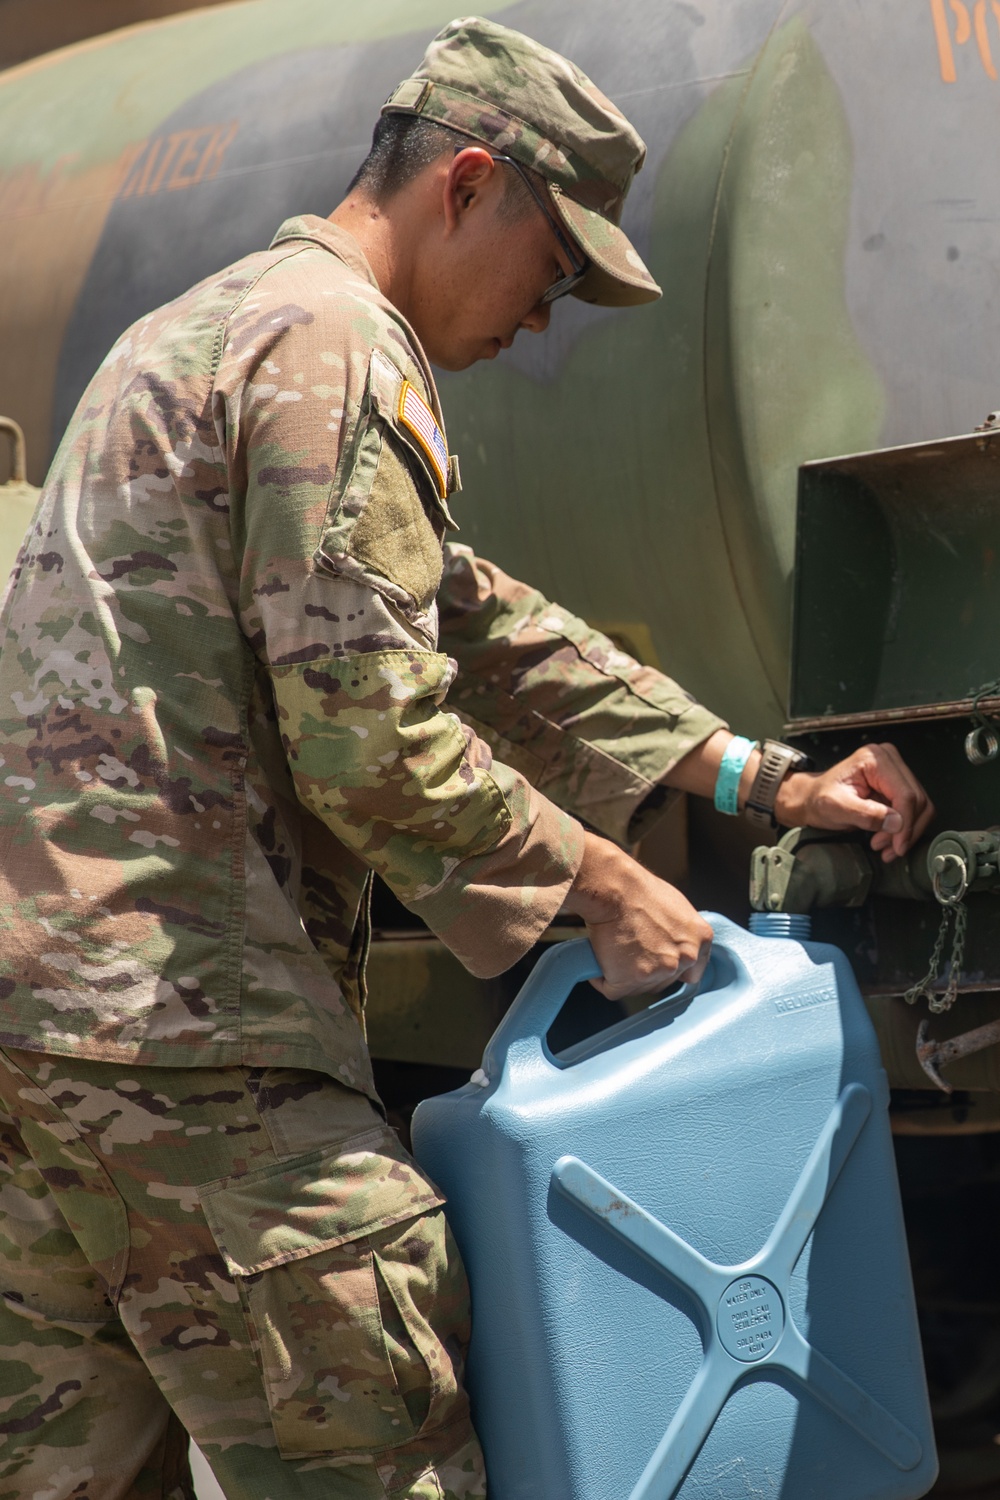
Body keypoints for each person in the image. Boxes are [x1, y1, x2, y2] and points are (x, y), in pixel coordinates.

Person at [0, 17, 932, 1498]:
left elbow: (470, 615)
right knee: (386, 1448)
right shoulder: (342, 355)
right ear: (468, 185)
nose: (544, 320)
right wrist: (606, 885)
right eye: (552, 268)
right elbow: (369, 740)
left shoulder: (218, 322)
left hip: (47, 1038)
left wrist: (748, 775)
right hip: (190, 1033)